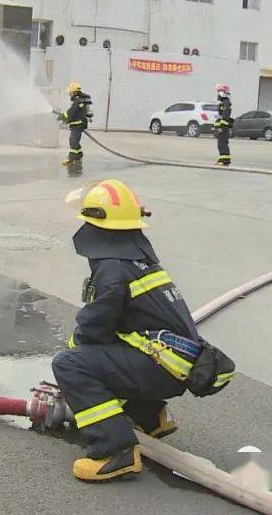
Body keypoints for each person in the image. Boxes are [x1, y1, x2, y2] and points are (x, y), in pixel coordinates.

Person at [52, 179, 234, 482]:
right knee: (115, 353)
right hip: (177, 368)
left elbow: (95, 326)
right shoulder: (139, 262)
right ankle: (151, 418)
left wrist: (74, 356)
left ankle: (115, 451)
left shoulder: (112, 269)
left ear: (96, 227)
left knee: (69, 364)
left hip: (160, 368)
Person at [57, 82, 92, 166]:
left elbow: (72, 113)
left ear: (75, 92)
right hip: (78, 124)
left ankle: (72, 159)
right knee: (75, 141)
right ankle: (78, 155)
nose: (70, 94)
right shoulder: (80, 100)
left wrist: (62, 116)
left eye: (71, 92)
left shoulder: (78, 101)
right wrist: (64, 117)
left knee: (73, 141)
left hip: (78, 125)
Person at [214, 84, 233, 166]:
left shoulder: (226, 103)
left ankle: (225, 160)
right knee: (221, 144)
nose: (218, 94)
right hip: (221, 126)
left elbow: (225, 116)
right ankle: (222, 159)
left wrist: (221, 127)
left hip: (223, 127)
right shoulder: (223, 103)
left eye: (219, 91)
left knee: (222, 144)